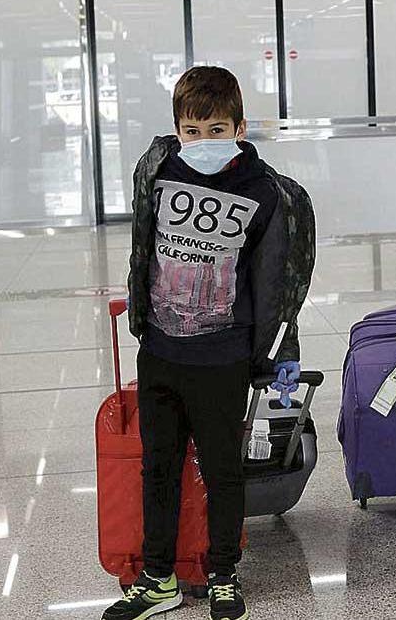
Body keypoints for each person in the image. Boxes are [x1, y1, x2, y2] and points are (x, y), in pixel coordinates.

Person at [104, 66, 316, 620]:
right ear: (177, 129)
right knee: (159, 466)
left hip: (224, 358)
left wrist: (279, 356)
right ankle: (157, 579)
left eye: (216, 129)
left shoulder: (267, 193)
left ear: (240, 126)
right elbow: (142, 246)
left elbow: (278, 281)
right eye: (192, 130)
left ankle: (223, 573)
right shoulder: (157, 169)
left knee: (223, 470)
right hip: (161, 354)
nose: (202, 142)